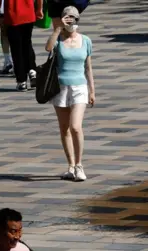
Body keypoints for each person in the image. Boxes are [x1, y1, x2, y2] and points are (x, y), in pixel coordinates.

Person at [45, 6, 94, 182]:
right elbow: (47, 48)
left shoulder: (86, 40)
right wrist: (58, 28)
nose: (71, 22)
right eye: (68, 18)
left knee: (75, 127)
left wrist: (92, 90)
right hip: (60, 89)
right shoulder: (58, 40)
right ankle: (71, 166)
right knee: (64, 129)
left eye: (74, 18)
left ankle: (80, 165)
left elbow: (88, 68)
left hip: (79, 88)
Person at [0, 0, 41, 91]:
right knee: (27, 43)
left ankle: (22, 81)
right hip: (28, 13)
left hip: (12, 16)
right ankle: (32, 70)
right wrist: (39, 9)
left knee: (16, 49)